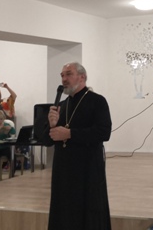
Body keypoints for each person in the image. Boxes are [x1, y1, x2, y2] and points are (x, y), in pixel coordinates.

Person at [47, 62, 112, 230]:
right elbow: (50, 138)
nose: (64, 79)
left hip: (87, 168)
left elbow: (104, 132)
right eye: (62, 75)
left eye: (68, 74)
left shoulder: (97, 101)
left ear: (82, 77)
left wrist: (70, 134)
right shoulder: (61, 105)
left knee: (88, 210)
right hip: (63, 169)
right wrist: (52, 125)